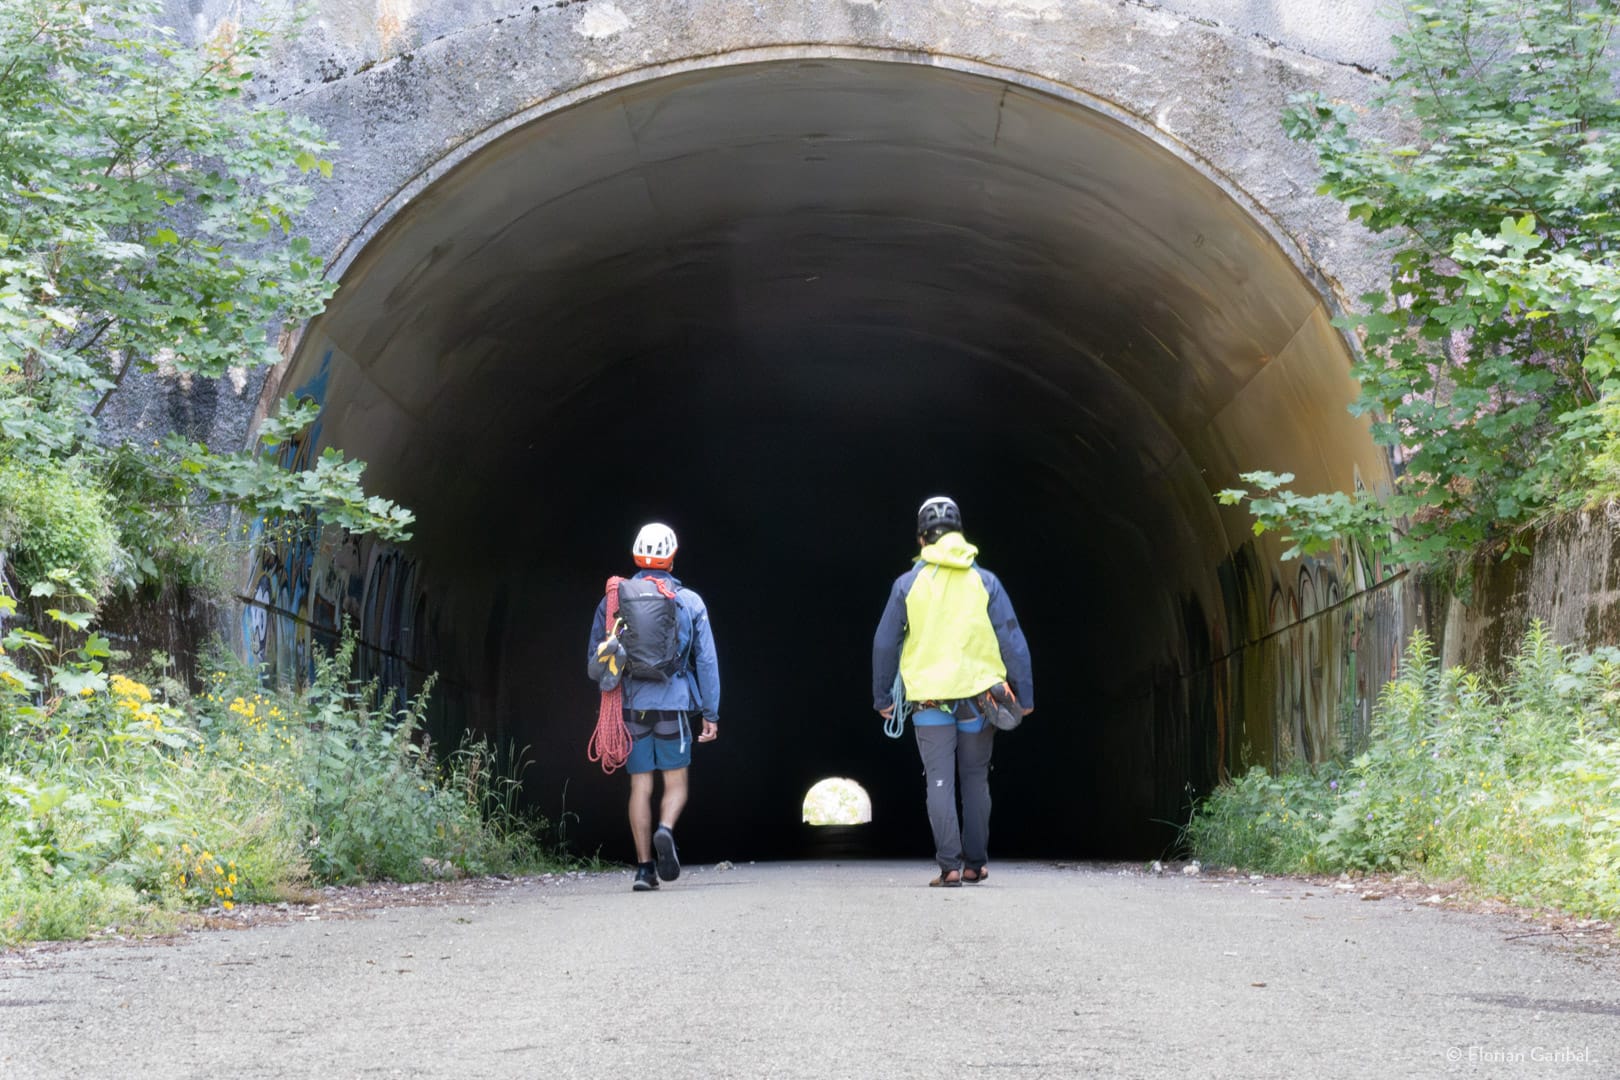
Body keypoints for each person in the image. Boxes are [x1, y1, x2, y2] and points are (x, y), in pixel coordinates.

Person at [872, 496, 1033, 887]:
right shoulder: (985, 581)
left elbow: (884, 644)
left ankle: (950, 867)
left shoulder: (907, 584)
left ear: (922, 540)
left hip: (929, 697)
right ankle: (976, 863)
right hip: (980, 698)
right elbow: (1012, 639)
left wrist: (883, 698)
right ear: (960, 535)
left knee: (938, 780)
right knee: (976, 779)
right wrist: (1024, 697)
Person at [587, 523, 720, 892]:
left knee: (640, 786)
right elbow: (706, 660)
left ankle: (644, 869)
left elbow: (596, 660)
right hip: (673, 705)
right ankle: (666, 829)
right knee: (676, 784)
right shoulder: (689, 601)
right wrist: (711, 713)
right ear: (672, 559)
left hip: (630, 707)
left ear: (635, 555)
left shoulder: (613, 599)